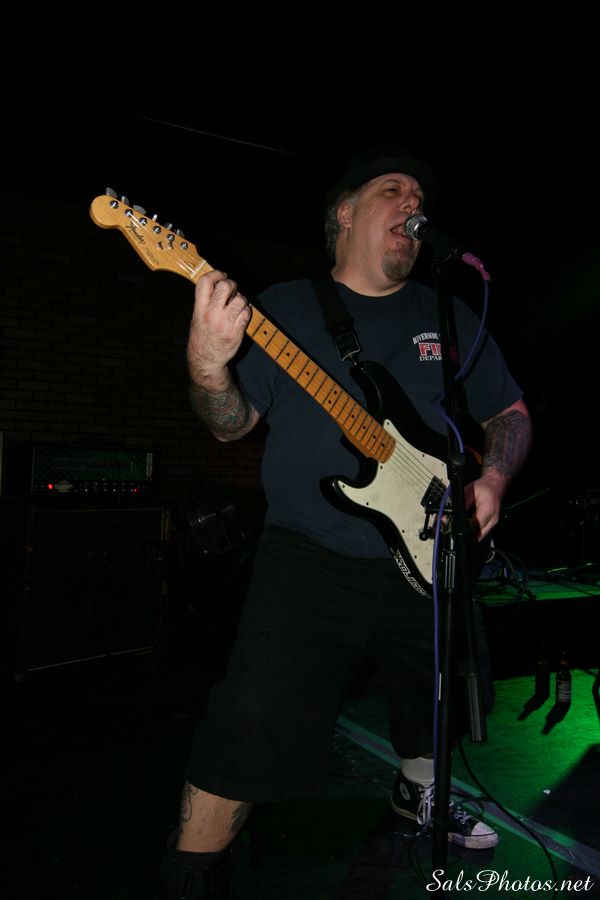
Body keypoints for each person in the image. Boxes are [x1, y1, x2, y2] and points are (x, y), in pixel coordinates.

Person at [158, 145, 533, 898]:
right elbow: (231, 424)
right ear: (345, 212)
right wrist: (207, 363)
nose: (413, 202)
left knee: (440, 695)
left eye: (420, 193)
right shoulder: (286, 308)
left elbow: (510, 414)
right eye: (394, 188)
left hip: (431, 547)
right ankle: (192, 871)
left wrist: (493, 476)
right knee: (252, 719)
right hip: (312, 554)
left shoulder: (446, 314)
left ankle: (421, 794)